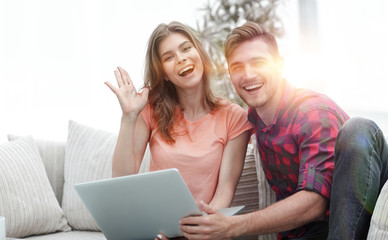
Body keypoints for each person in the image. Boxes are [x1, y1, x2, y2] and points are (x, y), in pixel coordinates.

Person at [178, 21, 351, 239]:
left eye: (258, 62)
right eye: (237, 67)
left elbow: (314, 202)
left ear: (279, 65)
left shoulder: (313, 114)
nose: (248, 75)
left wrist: (231, 226)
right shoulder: (252, 118)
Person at [104, 21, 252, 237]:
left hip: (204, 231)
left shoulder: (234, 117)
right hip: (156, 230)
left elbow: (224, 192)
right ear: (163, 72)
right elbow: (122, 177)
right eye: (168, 57)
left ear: (199, 54)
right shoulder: (151, 109)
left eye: (185, 48)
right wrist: (129, 117)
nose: (181, 58)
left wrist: (196, 232)